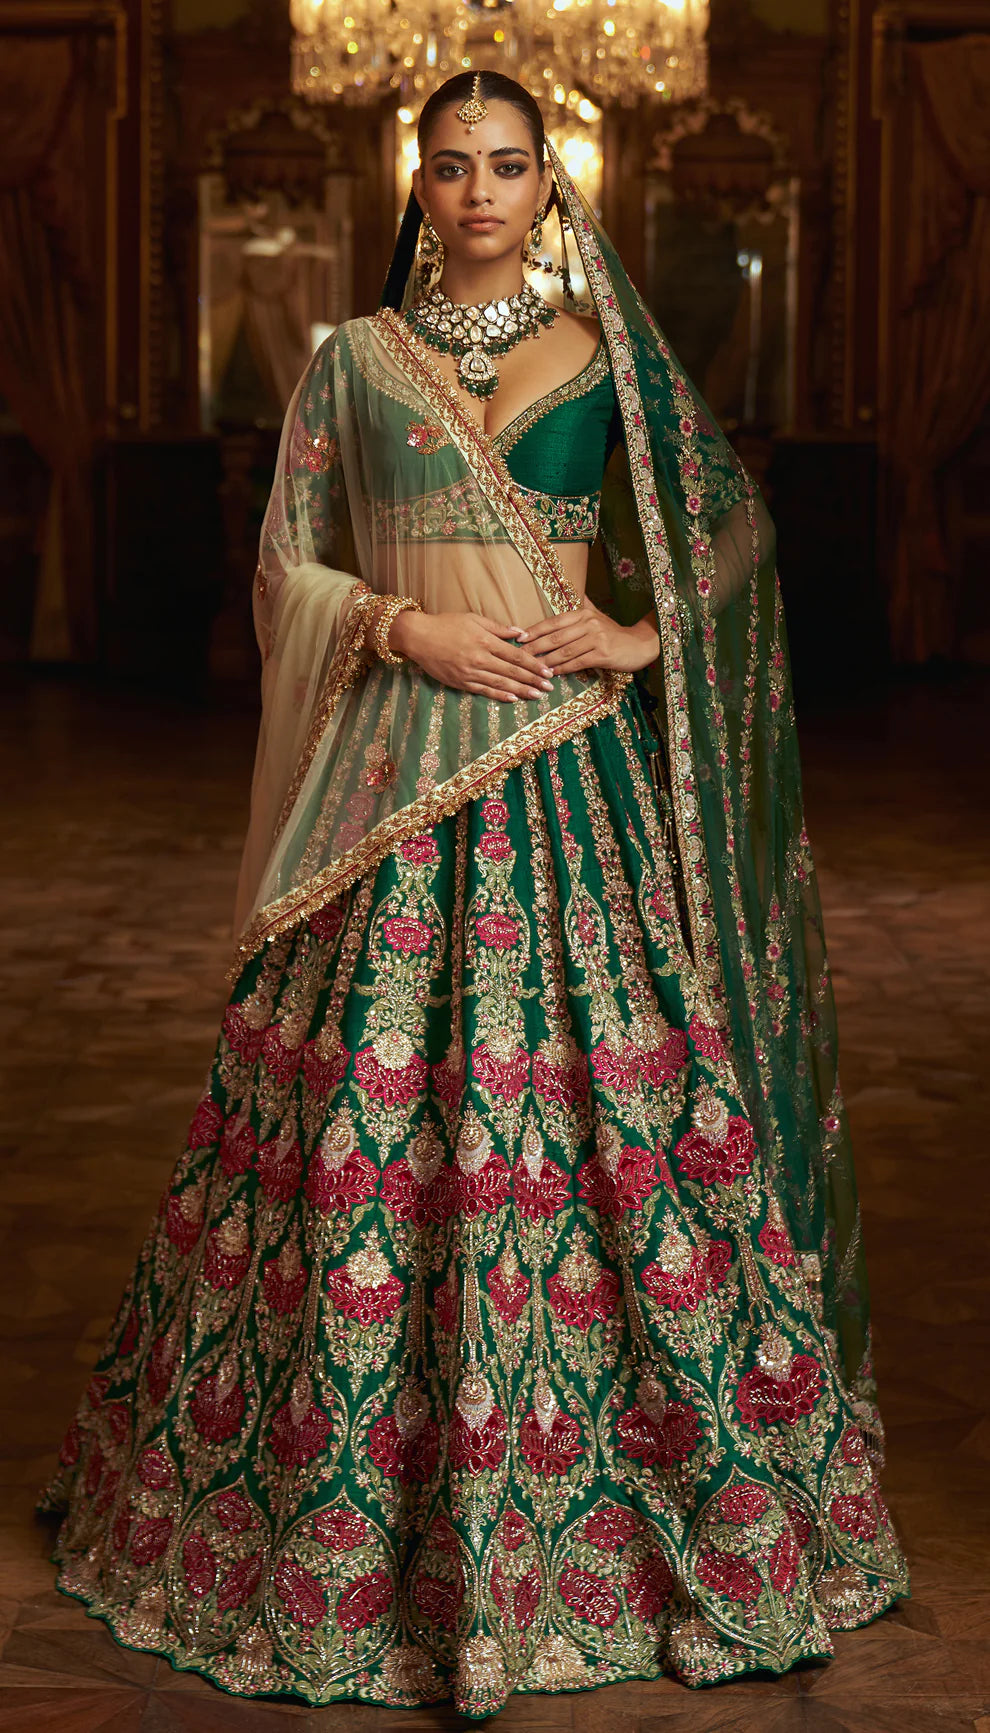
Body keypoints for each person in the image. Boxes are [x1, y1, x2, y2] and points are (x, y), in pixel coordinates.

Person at [38, 70, 909, 1717]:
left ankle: (639, 1495)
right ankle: (325, 1510)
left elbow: (728, 528)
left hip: (566, 769)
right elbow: (283, 561)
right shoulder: (351, 364)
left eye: (511, 166)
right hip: (386, 776)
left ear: (549, 182)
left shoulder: (606, 355)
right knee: (364, 1107)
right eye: (453, 168)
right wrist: (400, 626)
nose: (482, 191)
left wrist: (635, 635)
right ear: (414, 185)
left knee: (606, 1116)